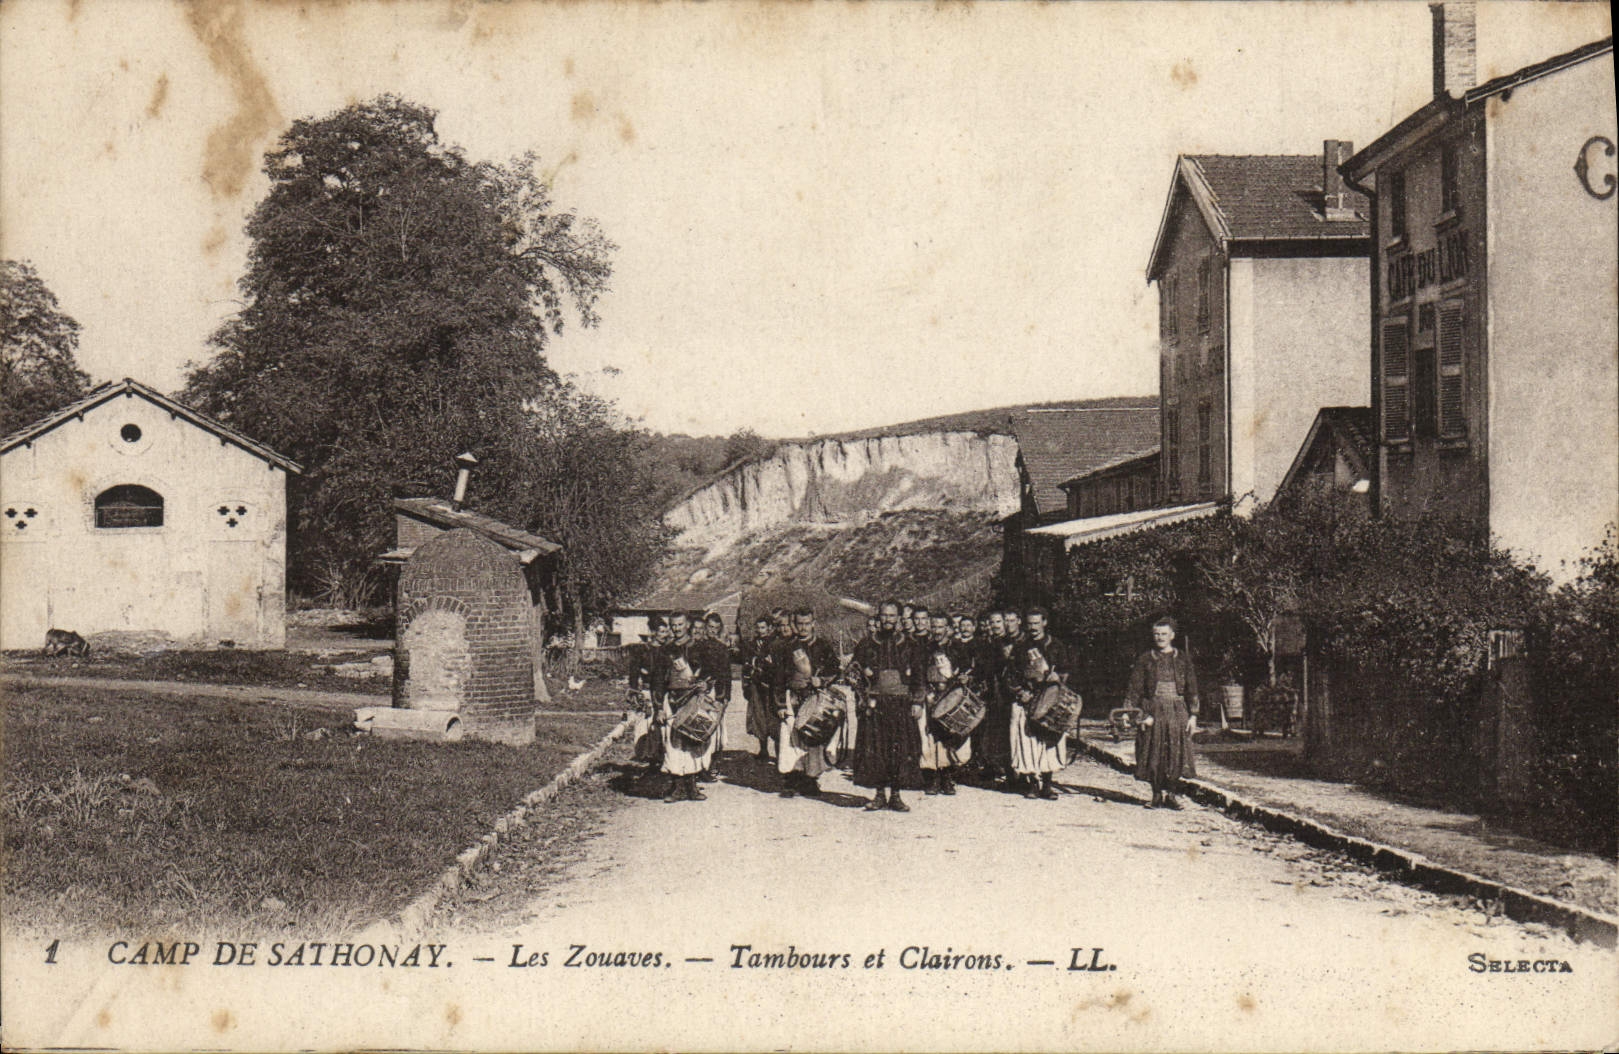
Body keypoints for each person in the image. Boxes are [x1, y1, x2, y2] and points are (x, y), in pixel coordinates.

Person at [850, 600, 924, 812]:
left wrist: (917, 701)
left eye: (892, 616)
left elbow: (919, 676)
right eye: (884, 615)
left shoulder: (910, 645)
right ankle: (879, 794)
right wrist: (863, 694)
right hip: (876, 705)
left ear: (900, 618)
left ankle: (896, 795)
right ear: (879, 617)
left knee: (900, 749)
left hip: (901, 704)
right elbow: (852, 673)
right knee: (876, 750)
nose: (888, 620)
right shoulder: (866, 644)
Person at [649, 612, 725, 803]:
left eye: (680, 624)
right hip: (673, 700)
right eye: (673, 625)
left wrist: (706, 684)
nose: (676, 628)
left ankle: (691, 787)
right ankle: (676, 788)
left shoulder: (701, 647)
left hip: (694, 700)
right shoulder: (665, 650)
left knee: (693, 741)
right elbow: (657, 681)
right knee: (672, 744)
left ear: (687, 624)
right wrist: (658, 707)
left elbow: (712, 672)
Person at [1126, 616, 1199, 809]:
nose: (1160, 637)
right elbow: (1135, 688)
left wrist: (1193, 715)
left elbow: (1192, 687)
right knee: (1153, 752)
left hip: (1178, 710)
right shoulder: (1145, 659)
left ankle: (1172, 795)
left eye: (1164, 634)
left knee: (1176, 752)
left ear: (1172, 635)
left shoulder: (1183, 658)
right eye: (1157, 634)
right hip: (1154, 709)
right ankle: (1156, 794)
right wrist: (1130, 712)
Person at [773, 608, 840, 798]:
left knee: (813, 738)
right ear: (795, 624)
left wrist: (823, 680)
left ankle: (810, 779)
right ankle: (791, 780)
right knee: (790, 738)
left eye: (807, 623)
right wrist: (779, 704)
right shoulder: (787, 647)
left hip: (814, 698)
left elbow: (836, 670)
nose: (803, 627)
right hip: (792, 697)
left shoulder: (823, 646)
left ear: (813, 623)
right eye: (799, 623)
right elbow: (778, 678)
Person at [1006, 607, 1069, 800]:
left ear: (1044, 623)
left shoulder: (1056, 645)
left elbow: (1066, 672)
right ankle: (1033, 783)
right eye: (1030, 623)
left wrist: (1057, 679)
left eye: (1036, 623)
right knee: (1028, 741)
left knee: (1048, 741)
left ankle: (1047, 784)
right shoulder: (1020, 646)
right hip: (1027, 699)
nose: (1033, 627)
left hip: (1049, 699)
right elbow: (1010, 675)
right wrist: (1020, 692)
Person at [915, 613, 971, 795]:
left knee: (949, 736)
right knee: (930, 737)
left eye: (941, 627)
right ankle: (932, 778)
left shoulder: (958, 648)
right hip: (931, 696)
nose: (937, 631)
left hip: (951, 695)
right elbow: (920, 673)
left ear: (948, 628)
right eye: (934, 627)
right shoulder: (925, 648)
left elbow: (968, 670)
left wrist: (963, 678)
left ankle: (947, 777)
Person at [973, 610, 1013, 786]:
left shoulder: (1012, 643)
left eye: (998, 622)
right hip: (993, 693)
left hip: (1008, 693)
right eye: (991, 623)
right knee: (994, 733)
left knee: (1009, 732)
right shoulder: (988, 643)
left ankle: (1013, 773)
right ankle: (993, 766)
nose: (995, 626)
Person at [699, 612, 734, 783]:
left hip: (717, 693)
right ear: (705, 627)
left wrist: (726, 696)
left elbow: (726, 674)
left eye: (716, 628)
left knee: (717, 731)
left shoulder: (722, 649)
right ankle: (701, 766)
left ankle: (712, 765)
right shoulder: (698, 646)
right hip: (702, 692)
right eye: (710, 627)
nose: (712, 631)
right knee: (701, 726)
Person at [741, 616, 775, 762]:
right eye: (758, 628)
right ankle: (763, 749)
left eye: (763, 627)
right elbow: (746, 663)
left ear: (769, 628)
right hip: (756, 684)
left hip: (770, 685)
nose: (760, 631)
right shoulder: (752, 644)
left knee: (772, 717)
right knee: (759, 717)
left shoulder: (774, 643)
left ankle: (779, 752)